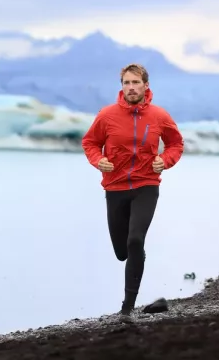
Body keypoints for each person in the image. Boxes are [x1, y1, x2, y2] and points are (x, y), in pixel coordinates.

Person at [81, 63, 184, 321]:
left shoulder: (159, 116)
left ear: (146, 86)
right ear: (122, 87)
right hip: (115, 187)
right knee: (122, 251)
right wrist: (97, 160)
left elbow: (175, 143)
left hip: (146, 185)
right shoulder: (107, 115)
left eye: (135, 82)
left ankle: (127, 308)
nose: (131, 87)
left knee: (136, 240)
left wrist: (166, 160)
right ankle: (128, 265)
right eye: (126, 83)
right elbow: (90, 142)